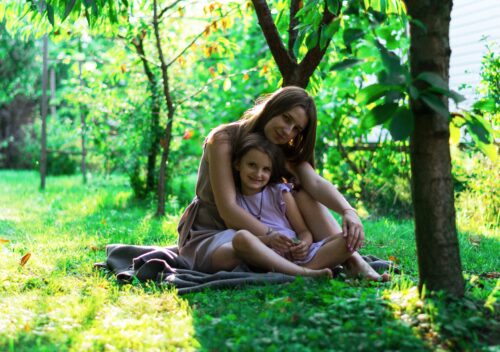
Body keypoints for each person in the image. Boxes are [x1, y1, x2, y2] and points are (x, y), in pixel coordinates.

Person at [178, 86, 388, 280]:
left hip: (266, 234)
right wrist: (271, 236)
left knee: (303, 194)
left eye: (296, 129)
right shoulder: (224, 139)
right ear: (271, 108)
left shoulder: (279, 149)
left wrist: (348, 211)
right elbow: (228, 211)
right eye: (286, 119)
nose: (288, 131)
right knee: (239, 246)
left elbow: (315, 182)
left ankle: (352, 262)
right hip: (217, 231)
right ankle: (306, 270)